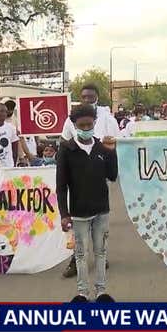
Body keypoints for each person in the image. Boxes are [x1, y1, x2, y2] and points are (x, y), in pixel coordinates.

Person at [57, 104, 118, 303]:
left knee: (101, 252)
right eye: (81, 125)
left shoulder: (102, 147)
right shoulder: (67, 149)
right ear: (74, 125)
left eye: (89, 124)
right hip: (78, 212)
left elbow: (112, 175)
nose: (85, 128)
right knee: (81, 254)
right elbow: (61, 185)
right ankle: (83, 293)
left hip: (101, 209)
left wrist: (112, 153)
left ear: (95, 123)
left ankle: (101, 291)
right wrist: (64, 214)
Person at [0, 103, 19, 168]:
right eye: (1, 111)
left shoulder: (11, 127)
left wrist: (14, 164)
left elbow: (15, 148)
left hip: (8, 166)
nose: (4, 114)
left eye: (5, 112)